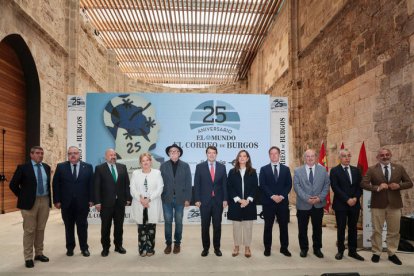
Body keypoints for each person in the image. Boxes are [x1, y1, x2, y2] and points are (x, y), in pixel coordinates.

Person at [361, 147, 413, 265]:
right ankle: (376, 252)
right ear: (378, 157)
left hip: (394, 205)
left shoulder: (399, 168)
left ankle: (392, 253)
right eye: (382, 155)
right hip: (377, 205)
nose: (385, 157)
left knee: (394, 231)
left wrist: (399, 186)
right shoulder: (371, 169)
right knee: (377, 230)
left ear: (390, 155)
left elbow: (409, 183)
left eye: (387, 154)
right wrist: (377, 188)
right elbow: (363, 184)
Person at [9, 146, 51, 268]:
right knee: (29, 230)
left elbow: (48, 185)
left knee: (40, 229)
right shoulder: (23, 168)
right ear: (31, 154)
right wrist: (23, 197)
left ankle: (39, 253)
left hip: (44, 200)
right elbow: (13, 185)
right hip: (29, 204)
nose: (40, 155)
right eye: (37, 153)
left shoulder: (46, 167)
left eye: (42, 153)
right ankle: (28, 257)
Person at [52, 146, 94, 257]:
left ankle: (84, 248)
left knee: (82, 227)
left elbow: (91, 185)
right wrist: (56, 200)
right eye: (70, 153)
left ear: (79, 154)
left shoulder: (88, 167)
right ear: (68, 155)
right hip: (66, 203)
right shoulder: (61, 167)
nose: (73, 155)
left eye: (75, 153)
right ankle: (70, 248)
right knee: (68, 227)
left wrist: (91, 199)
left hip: (82, 203)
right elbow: (55, 184)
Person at [94, 148, 131, 257]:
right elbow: (96, 187)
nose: (113, 156)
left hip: (120, 203)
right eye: (111, 155)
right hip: (105, 204)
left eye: (114, 155)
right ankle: (105, 248)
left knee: (119, 227)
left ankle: (118, 246)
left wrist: (128, 198)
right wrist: (97, 202)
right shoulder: (99, 168)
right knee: (105, 227)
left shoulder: (122, 167)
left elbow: (126, 185)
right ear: (106, 157)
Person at [293, 148, 330, 258]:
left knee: (317, 229)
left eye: (312, 156)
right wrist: (307, 198)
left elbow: (326, 185)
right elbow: (297, 186)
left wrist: (319, 198)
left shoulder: (323, 170)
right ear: (304, 158)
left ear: (316, 157)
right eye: (307, 156)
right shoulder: (298, 171)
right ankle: (304, 249)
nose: (310, 158)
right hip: (303, 204)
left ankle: (317, 249)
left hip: (318, 204)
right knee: (302, 229)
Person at [330, 148, 364, 261]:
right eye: (344, 156)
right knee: (341, 228)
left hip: (354, 204)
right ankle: (340, 251)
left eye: (349, 156)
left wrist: (355, 198)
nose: (347, 158)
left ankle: (352, 251)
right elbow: (335, 187)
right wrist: (347, 199)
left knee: (353, 228)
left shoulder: (356, 170)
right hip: (341, 205)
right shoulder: (335, 170)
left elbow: (360, 187)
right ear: (340, 158)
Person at [194, 145, 228, 257]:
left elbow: (224, 185)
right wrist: (197, 199)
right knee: (205, 226)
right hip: (204, 202)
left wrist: (225, 199)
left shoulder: (222, 167)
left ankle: (217, 248)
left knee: (217, 226)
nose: (212, 155)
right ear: (206, 154)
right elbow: (197, 184)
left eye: (214, 153)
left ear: (216, 154)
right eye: (209, 153)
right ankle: (205, 248)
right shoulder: (200, 167)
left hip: (218, 202)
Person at [260, 146, 292, 257]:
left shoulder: (286, 169)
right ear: (269, 155)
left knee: (284, 227)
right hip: (269, 203)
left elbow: (289, 185)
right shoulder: (264, 169)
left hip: (282, 203)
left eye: (276, 153)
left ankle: (284, 248)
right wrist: (273, 196)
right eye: (271, 154)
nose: (274, 155)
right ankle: (267, 248)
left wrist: (282, 196)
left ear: (279, 155)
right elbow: (263, 185)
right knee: (268, 226)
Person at [160, 143, 192, 254]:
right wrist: (161, 196)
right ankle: (168, 244)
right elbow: (160, 183)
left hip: (180, 199)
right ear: (169, 154)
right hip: (167, 199)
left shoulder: (185, 166)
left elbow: (188, 183)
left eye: (176, 151)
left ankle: (177, 243)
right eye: (171, 151)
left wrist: (188, 198)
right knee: (168, 222)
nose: (173, 153)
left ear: (179, 153)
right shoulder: (163, 166)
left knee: (179, 222)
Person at [130, 153, 164, 256]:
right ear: (140, 163)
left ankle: (150, 249)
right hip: (139, 203)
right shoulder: (135, 173)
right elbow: (132, 188)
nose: (145, 162)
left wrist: (148, 199)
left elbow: (160, 188)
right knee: (141, 228)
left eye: (147, 160)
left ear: (151, 162)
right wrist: (141, 199)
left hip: (152, 203)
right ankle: (142, 249)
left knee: (151, 228)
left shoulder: (157, 173)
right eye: (143, 161)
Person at [227, 150, 258, 258]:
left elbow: (255, 187)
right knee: (236, 227)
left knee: (248, 227)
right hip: (236, 203)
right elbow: (229, 187)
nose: (242, 158)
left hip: (249, 203)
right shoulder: (232, 172)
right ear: (237, 158)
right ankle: (236, 246)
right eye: (240, 156)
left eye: (244, 156)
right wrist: (239, 200)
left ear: (248, 158)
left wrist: (248, 200)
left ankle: (247, 247)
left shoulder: (253, 172)